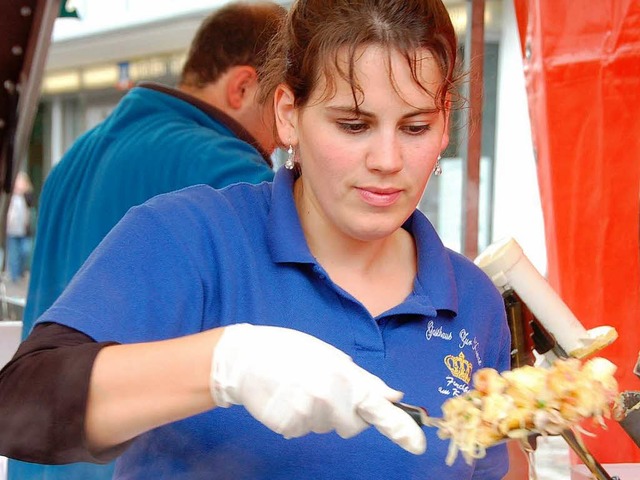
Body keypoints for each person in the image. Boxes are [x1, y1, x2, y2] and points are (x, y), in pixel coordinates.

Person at [0, 0, 512, 479]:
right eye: (353, 125)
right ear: (289, 114)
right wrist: (226, 364)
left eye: (415, 127)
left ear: (446, 122)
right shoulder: (193, 238)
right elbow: (20, 400)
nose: (387, 160)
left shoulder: (473, 303)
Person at [7, 2, 286, 480]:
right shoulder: (230, 170)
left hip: (42, 454)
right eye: (282, 110)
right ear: (243, 87)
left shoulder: (75, 155)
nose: (281, 142)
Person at [5, 172, 34, 284]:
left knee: (25, 251)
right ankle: (14, 277)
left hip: (24, 231)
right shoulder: (10, 196)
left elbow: (31, 208)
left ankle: (21, 272)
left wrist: (23, 193)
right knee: (13, 253)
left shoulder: (27, 196)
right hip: (12, 230)